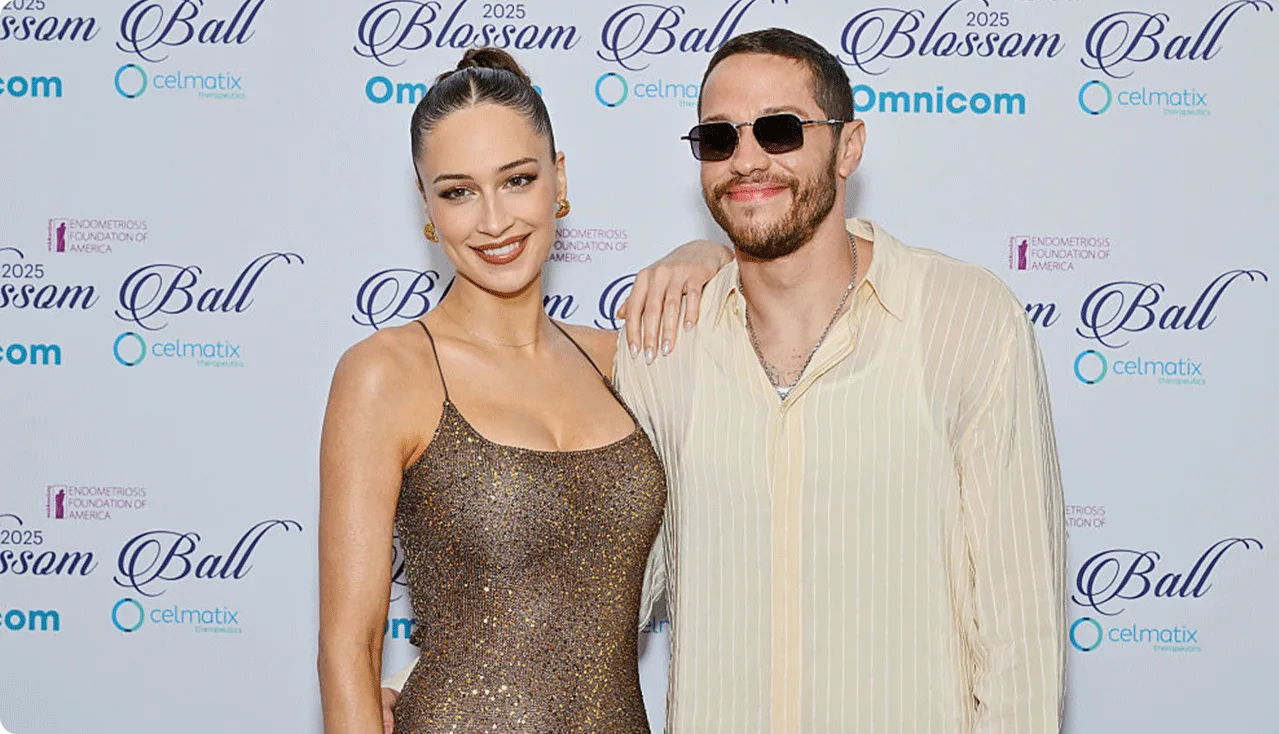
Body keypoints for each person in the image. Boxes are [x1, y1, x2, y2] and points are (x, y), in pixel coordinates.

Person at [386, 28, 1067, 734]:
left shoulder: (966, 319)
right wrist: (433, 687)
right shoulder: (663, 349)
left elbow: (1021, 638)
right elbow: (587, 583)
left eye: (780, 130)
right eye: (719, 139)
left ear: (849, 146)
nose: (747, 160)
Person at [317, 48, 728, 734]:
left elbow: (775, 333)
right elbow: (348, 650)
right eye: (458, 191)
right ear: (427, 204)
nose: (494, 220)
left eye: (517, 180)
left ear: (558, 177)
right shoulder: (386, 373)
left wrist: (713, 254)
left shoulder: (621, 361)